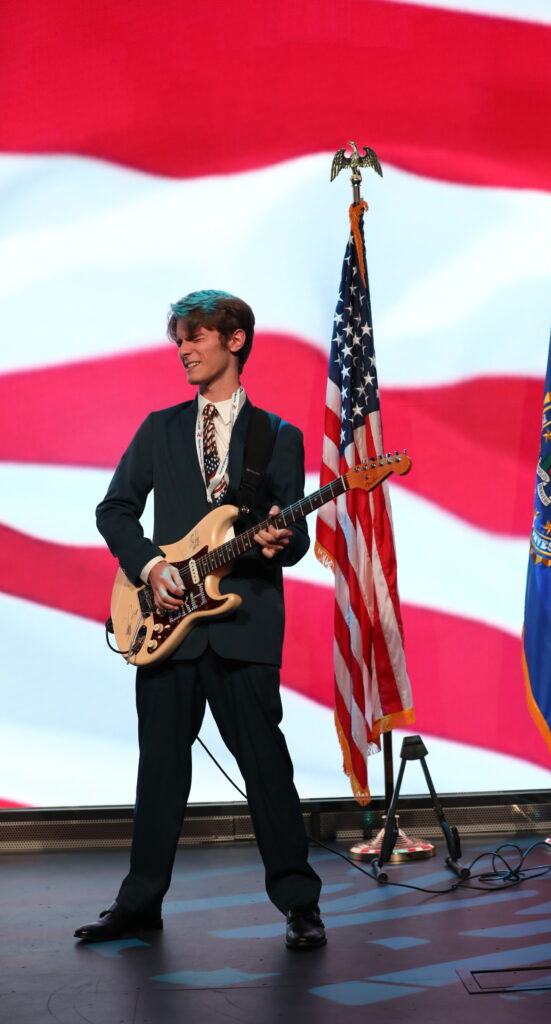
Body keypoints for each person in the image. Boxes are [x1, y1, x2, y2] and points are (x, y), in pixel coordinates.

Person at [74, 290, 325, 949]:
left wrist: (281, 541)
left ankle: (300, 904)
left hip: (244, 625)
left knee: (265, 767)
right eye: (179, 339)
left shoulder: (278, 436)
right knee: (159, 769)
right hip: (164, 627)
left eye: (196, 336)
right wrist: (151, 566)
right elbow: (114, 510)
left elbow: (293, 536)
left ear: (234, 340)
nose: (183, 349)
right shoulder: (158, 428)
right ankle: (139, 903)